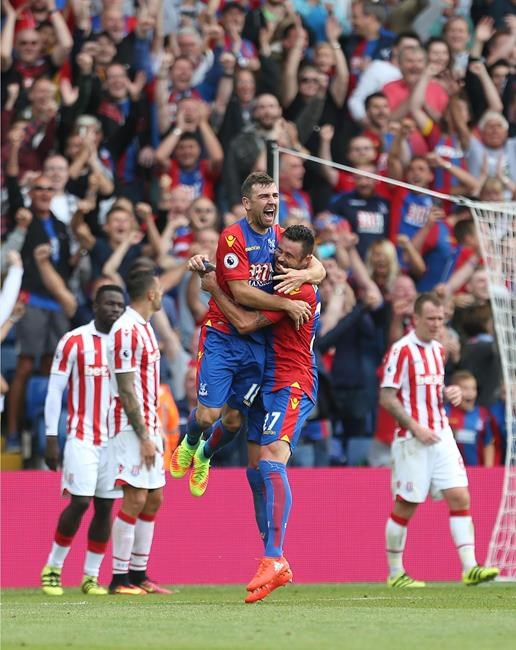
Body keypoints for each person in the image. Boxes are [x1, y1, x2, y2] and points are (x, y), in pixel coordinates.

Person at [170, 172, 324, 498]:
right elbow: (241, 292)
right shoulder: (232, 238)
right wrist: (286, 303)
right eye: (264, 196)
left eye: (274, 196)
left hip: (258, 343)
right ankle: (190, 440)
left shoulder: (282, 238)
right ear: (246, 203)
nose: (272, 202)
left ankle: (205, 457)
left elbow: (319, 270)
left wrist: (305, 273)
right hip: (224, 334)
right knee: (209, 413)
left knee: (233, 421)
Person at [200, 225, 320, 603]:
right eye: (279, 250)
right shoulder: (283, 271)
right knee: (255, 472)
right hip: (264, 376)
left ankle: (274, 558)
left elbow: (246, 322)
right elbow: (317, 267)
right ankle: (272, 556)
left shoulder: (294, 290)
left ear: (303, 263)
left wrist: (214, 286)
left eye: (288, 256)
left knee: (271, 463)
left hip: (291, 383)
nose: (279, 257)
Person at [380, 293, 499, 587]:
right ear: (417, 319)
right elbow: (386, 396)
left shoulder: (438, 350)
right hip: (412, 438)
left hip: (441, 433)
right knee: (406, 505)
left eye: (440, 319)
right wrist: (414, 426)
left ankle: (470, 567)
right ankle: (396, 572)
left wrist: (451, 394)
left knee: (459, 496)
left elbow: (433, 389)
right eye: (431, 319)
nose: (436, 324)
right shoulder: (401, 350)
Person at [40, 285, 126, 596]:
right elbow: (54, 391)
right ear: (95, 305)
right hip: (81, 436)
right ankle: (53, 566)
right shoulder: (74, 340)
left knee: (105, 508)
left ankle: (91, 576)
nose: (115, 309)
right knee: (79, 502)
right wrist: (51, 435)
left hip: (115, 439)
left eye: (120, 304)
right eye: (109, 303)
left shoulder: (125, 343)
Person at [106, 269, 171, 595]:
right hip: (130, 427)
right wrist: (144, 435)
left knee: (154, 496)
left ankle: (138, 573)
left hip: (149, 424)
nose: (161, 294)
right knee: (135, 497)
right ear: (150, 294)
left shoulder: (144, 328)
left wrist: (153, 431)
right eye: (159, 289)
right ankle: (119, 579)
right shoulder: (126, 331)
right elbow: (126, 389)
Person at [446, 370, 495, 467]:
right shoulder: (445, 412)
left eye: (473, 389)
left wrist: (488, 470)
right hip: (451, 472)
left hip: (476, 471)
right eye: (465, 388)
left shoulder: (482, 414)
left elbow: (488, 443)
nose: (470, 393)